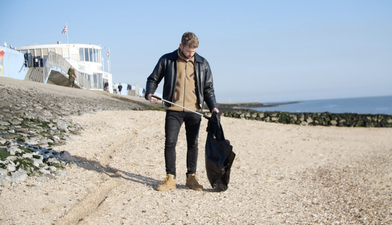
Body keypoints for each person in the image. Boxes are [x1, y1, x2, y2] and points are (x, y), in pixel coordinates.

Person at [145, 32, 219, 191]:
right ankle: (170, 178)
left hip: (195, 111)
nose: (191, 54)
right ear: (181, 46)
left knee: (193, 143)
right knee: (170, 142)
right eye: (188, 51)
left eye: (194, 51)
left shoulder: (202, 63)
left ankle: (191, 178)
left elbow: (208, 88)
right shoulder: (167, 60)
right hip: (173, 109)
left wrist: (213, 106)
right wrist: (149, 94)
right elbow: (153, 79)